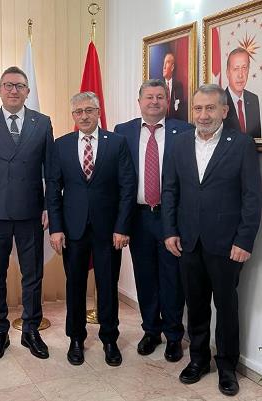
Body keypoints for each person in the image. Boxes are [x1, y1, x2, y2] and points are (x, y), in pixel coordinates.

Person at [162, 84, 261, 396]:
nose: (203, 115)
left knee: (226, 306)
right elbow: (170, 190)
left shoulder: (241, 144)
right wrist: (170, 230)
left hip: (227, 243)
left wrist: (244, 240)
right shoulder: (179, 143)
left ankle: (227, 366)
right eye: (198, 108)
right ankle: (198, 359)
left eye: (210, 108)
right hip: (188, 240)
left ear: (224, 111)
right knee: (195, 304)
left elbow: (252, 197)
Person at [47, 91, 136, 366]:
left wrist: (122, 227)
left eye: (89, 110)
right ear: (73, 115)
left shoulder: (117, 143)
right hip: (72, 230)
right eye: (78, 112)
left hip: (109, 231)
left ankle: (110, 339)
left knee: (107, 285)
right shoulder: (61, 145)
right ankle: (76, 338)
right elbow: (53, 190)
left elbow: (128, 187)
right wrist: (55, 228)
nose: (84, 116)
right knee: (74, 285)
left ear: (98, 112)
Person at [0, 66, 54, 361]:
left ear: (27, 91)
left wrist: (48, 206)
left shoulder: (42, 123)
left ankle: (31, 330)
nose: (13, 90)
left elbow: (51, 171)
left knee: (32, 276)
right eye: (8, 85)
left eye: (19, 86)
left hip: (31, 213)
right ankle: (0, 332)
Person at [114, 79, 193, 362]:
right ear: (140, 102)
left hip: (171, 218)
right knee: (145, 277)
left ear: (167, 101)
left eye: (160, 96)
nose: (155, 101)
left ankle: (173, 336)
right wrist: (121, 223)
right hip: (138, 217)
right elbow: (119, 179)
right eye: (149, 97)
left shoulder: (184, 130)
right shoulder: (123, 131)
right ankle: (151, 331)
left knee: (172, 279)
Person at [224, 47, 261, 138]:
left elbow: (257, 139)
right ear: (228, 73)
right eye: (236, 68)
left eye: (244, 68)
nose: (240, 75)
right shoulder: (219, 102)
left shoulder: (253, 99)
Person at [162, 52, 187, 121]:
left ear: (172, 67)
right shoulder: (158, 85)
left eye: (167, 62)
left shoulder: (178, 85)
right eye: (164, 63)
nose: (164, 67)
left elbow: (181, 109)